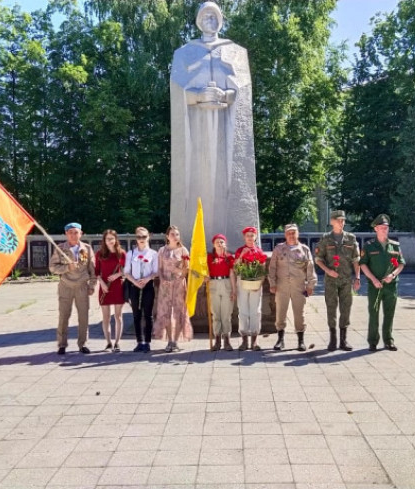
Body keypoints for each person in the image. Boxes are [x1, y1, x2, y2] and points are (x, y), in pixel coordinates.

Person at [170, 1, 259, 247]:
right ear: (198, 20)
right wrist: (197, 96)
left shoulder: (235, 51)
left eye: (214, 16)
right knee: (196, 181)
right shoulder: (184, 53)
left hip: (224, 124)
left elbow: (243, 87)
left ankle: (229, 244)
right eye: (205, 16)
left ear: (220, 20)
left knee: (228, 182)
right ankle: (193, 245)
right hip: (196, 127)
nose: (210, 20)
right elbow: (177, 88)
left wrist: (226, 95)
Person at [314, 210, 361, 351]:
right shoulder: (325, 238)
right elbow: (318, 259)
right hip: (331, 280)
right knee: (331, 308)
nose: (341, 223)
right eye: (338, 220)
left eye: (343, 220)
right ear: (332, 222)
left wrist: (357, 277)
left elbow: (356, 260)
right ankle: (333, 340)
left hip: (346, 280)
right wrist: (328, 271)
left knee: (346, 308)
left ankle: (343, 340)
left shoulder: (351, 239)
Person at [48, 222, 96, 355]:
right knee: (64, 316)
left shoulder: (85, 249)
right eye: (70, 232)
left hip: (81, 286)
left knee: (83, 316)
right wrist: (67, 268)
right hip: (66, 286)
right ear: (66, 234)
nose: (73, 235)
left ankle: (83, 344)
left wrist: (92, 285)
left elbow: (92, 269)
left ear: (81, 233)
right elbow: (52, 268)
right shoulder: (60, 249)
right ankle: (62, 344)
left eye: (76, 232)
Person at [360, 214, 405, 351]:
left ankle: (388, 340)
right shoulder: (369, 246)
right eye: (381, 228)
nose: (384, 230)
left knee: (389, 313)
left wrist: (392, 275)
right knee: (374, 313)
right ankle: (373, 341)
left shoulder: (395, 246)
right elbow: (363, 264)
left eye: (386, 228)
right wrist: (373, 280)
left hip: (391, 286)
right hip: (375, 286)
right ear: (376, 229)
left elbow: (401, 264)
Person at [268, 224, 316, 351]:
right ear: (285, 235)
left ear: (298, 234)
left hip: (299, 286)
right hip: (281, 286)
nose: (291, 235)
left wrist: (310, 284)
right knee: (280, 313)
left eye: (293, 232)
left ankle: (300, 340)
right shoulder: (279, 249)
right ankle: (280, 340)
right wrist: (272, 283)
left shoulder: (304, 249)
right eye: (289, 233)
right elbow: (272, 267)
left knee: (299, 313)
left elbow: (310, 268)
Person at [154, 226, 193, 352]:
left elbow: (187, 269)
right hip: (165, 285)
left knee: (178, 312)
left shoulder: (183, 251)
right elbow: (159, 268)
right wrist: (162, 279)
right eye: (172, 234)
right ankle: (169, 340)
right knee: (166, 313)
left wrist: (180, 273)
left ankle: (175, 341)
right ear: (167, 236)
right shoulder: (162, 250)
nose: (175, 236)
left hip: (178, 285)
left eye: (177, 234)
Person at [124, 226, 158, 352]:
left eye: (144, 236)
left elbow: (156, 272)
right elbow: (126, 272)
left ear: (148, 237)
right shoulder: (131, 253)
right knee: (136, 315)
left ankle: (147, 342)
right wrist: (136, 282)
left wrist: (147, 279)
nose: (141, 239)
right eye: (139, 237)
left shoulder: (153, 254)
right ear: (136, 239)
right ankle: (139, 341)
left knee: (148, 315)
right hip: (135, 285)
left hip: (148, 286)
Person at [233, 226, 265, 351]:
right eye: (248, 236)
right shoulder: (240, 250)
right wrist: (242, 255)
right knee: (243, 311)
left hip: (255, 282)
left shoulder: (259, 251)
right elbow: (235, 268)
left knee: (255, 311)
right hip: (242, 281)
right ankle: (244, 340)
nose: (250, 238)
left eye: (252, 235)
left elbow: (262, 269)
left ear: (255, 237)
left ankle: (255, 340)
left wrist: (260, 283)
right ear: (244, 237)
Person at [95, 229, 126, 352]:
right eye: (108, 239)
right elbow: (96, 271)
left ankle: (117, 343)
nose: (110, 241)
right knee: (106, 317)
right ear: (104, 240)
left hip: (118, 286)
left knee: (118, 316)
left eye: (112, 238)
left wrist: (118, 275)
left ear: (116, 239)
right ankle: (108, 343)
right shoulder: (99, 254)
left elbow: (126, 270)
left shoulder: (121, 253)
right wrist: (102, 283)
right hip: (105, 287)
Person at [206, 234, 236, 351]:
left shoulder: (229, 257)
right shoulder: (209, 257)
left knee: (226, 315)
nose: (220, 244)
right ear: (213, 244)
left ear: (225, 244)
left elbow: (232, 274)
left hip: (226, 283)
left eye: (222, 242)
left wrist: (234, 290)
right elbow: (205, 271)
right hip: (214, 284)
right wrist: (206, 277)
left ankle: (227, 340)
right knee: (216, 314)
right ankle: (217, 340)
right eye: (217, 242)